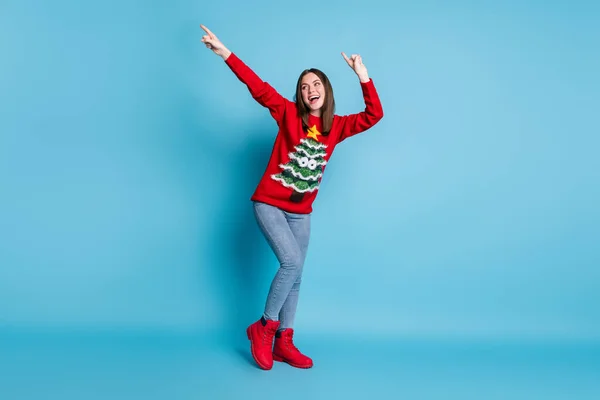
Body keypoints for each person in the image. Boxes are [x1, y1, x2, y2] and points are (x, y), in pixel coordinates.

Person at [200, 24, 384, 370]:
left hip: (301, 213)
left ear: (326, 92)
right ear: (299, 96)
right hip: (268, 204)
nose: (310, 89)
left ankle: (285, 341)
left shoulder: (338, 127)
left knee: (296, 274)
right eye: (304, 87)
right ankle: (264, 327)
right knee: (291, 263)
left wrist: (363, 75)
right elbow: (257, 87)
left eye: (316, 84)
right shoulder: (286, 114)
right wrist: (224, 52)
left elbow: (375, 115)